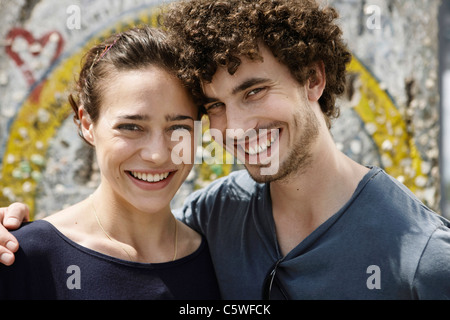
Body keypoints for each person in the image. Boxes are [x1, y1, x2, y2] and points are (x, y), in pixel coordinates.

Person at [2, 0, 450, 299]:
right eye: (215, 104)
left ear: (314, 79)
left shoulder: (426, 258)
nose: (234, 128)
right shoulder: (213, 216)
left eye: (254, 92)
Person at [0, 25, 220, 299]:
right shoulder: (20, 257)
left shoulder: (222, 261)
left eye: (179, 128)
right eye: (131, 127)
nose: (158, 155)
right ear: (87, 124)